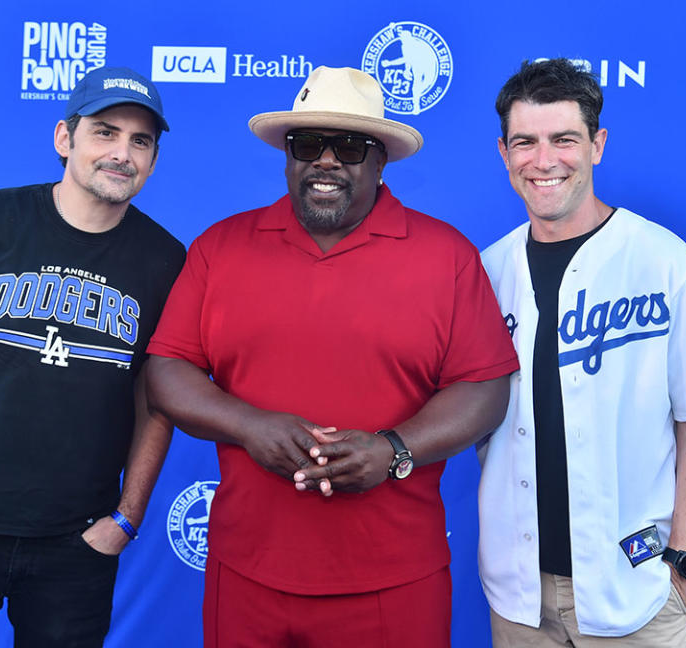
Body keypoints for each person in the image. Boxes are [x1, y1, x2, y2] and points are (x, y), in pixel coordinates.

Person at [146, 65, 519, 647]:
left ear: (380, 160)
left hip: (394, 581)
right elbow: (168, 369)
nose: (326, 161)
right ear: (288, 156)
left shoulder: (446, 256)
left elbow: (485, 387)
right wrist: (248, 426)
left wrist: (394, 450)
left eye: (348, 146)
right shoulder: (220, 247)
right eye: (308, 144)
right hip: (246, 572)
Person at [0, 66, 185, 648]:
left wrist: (125, 521)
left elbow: (157, 402)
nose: (122, 153)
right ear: (63, 138)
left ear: (152, 160)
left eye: (140, 141)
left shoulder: (166, 260)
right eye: (105, 131)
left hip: (77, 544)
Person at [478, 58, 686, 647]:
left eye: (564, 139)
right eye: (525, 141)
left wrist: (683, 563)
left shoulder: (662, 260)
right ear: (504, 153)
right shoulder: (487, 271)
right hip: (519, 597)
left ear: (597, 145)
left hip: (639, 591)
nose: (543, 160)